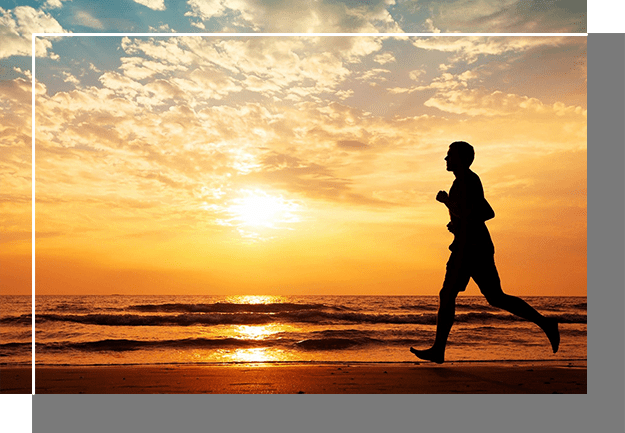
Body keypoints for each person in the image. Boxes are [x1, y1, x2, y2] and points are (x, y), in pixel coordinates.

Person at [410, 141, 560, 364]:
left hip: (473, 249)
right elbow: (475, 213)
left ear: (460, 158)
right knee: (463, 295)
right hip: (464, 245)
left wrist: (447, 202)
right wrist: (457, 225)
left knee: (485, 296)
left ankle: (546, 323)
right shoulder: (461, 182)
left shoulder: (469, 181)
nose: (445, 159)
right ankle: (438, 349)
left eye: (449, 155)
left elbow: (484, 213)